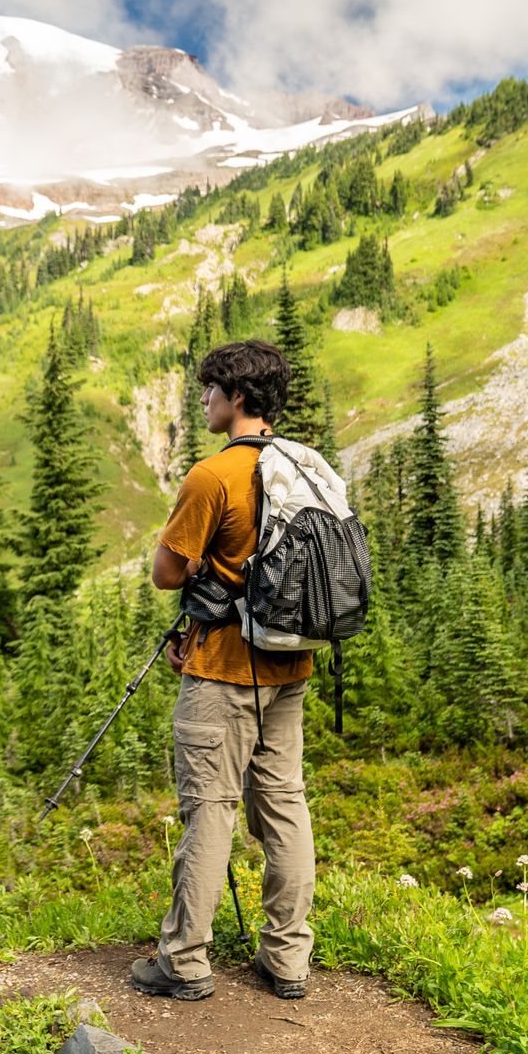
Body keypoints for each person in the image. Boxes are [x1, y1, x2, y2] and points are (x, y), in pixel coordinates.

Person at [128, 338, 316, 1002]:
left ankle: (185, 961)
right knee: (284, 808)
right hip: (291, 666)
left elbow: (164, 573)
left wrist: (205, 569)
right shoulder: (307, 466)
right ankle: (287, 960)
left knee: (210, 811)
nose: (203, 399)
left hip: (222, 674)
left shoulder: (213, 477)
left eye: (210, 390)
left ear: (237, 398)